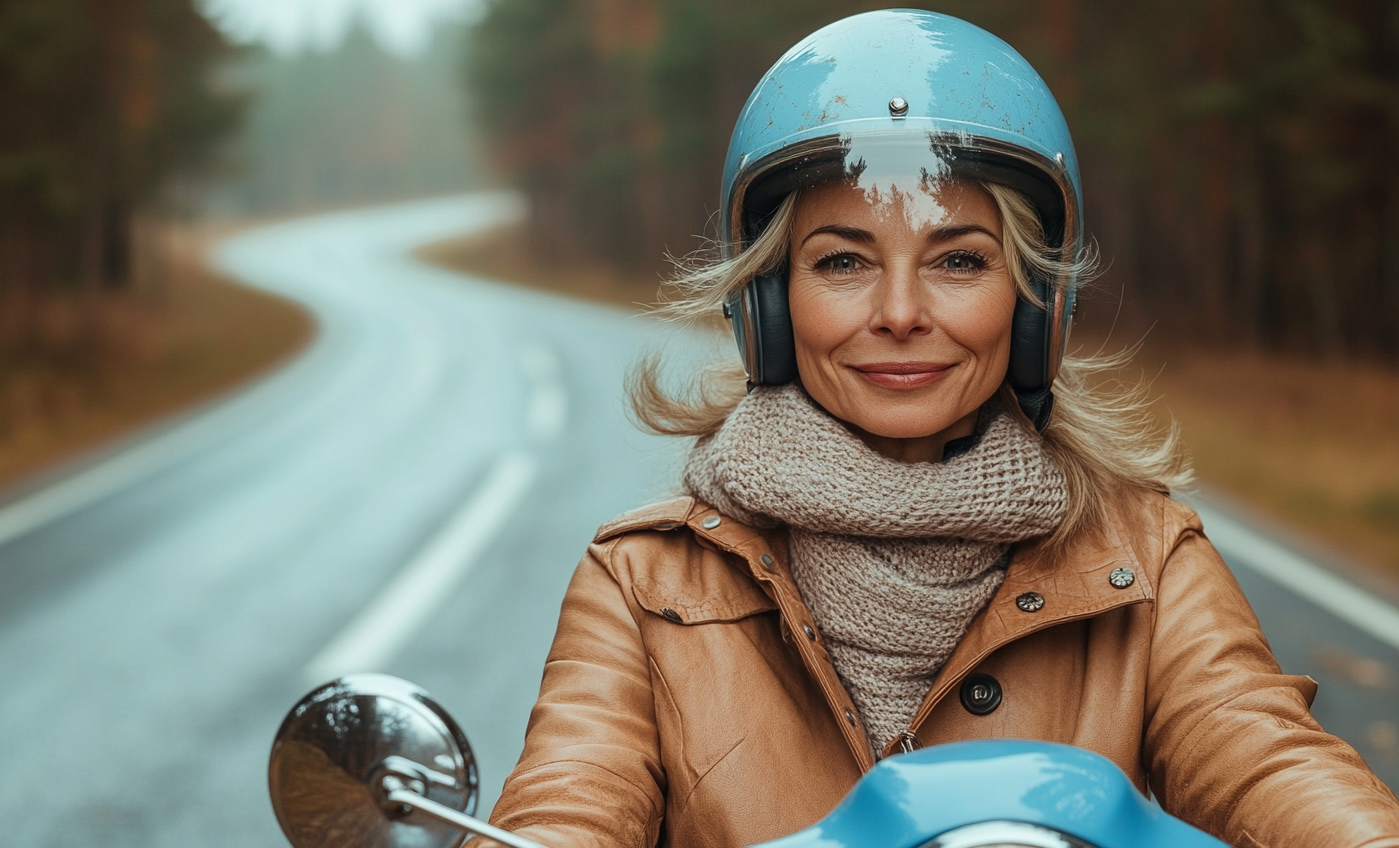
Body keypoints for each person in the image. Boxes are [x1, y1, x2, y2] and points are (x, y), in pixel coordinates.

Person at [481, 10, 1399, 848]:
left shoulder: (1147, 567)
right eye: (842, 261)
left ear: (1036, 303)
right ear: (767, 302)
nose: (901, 311)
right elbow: (567, 803)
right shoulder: (641, 587)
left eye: (959, 260)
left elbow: (1274, 762)